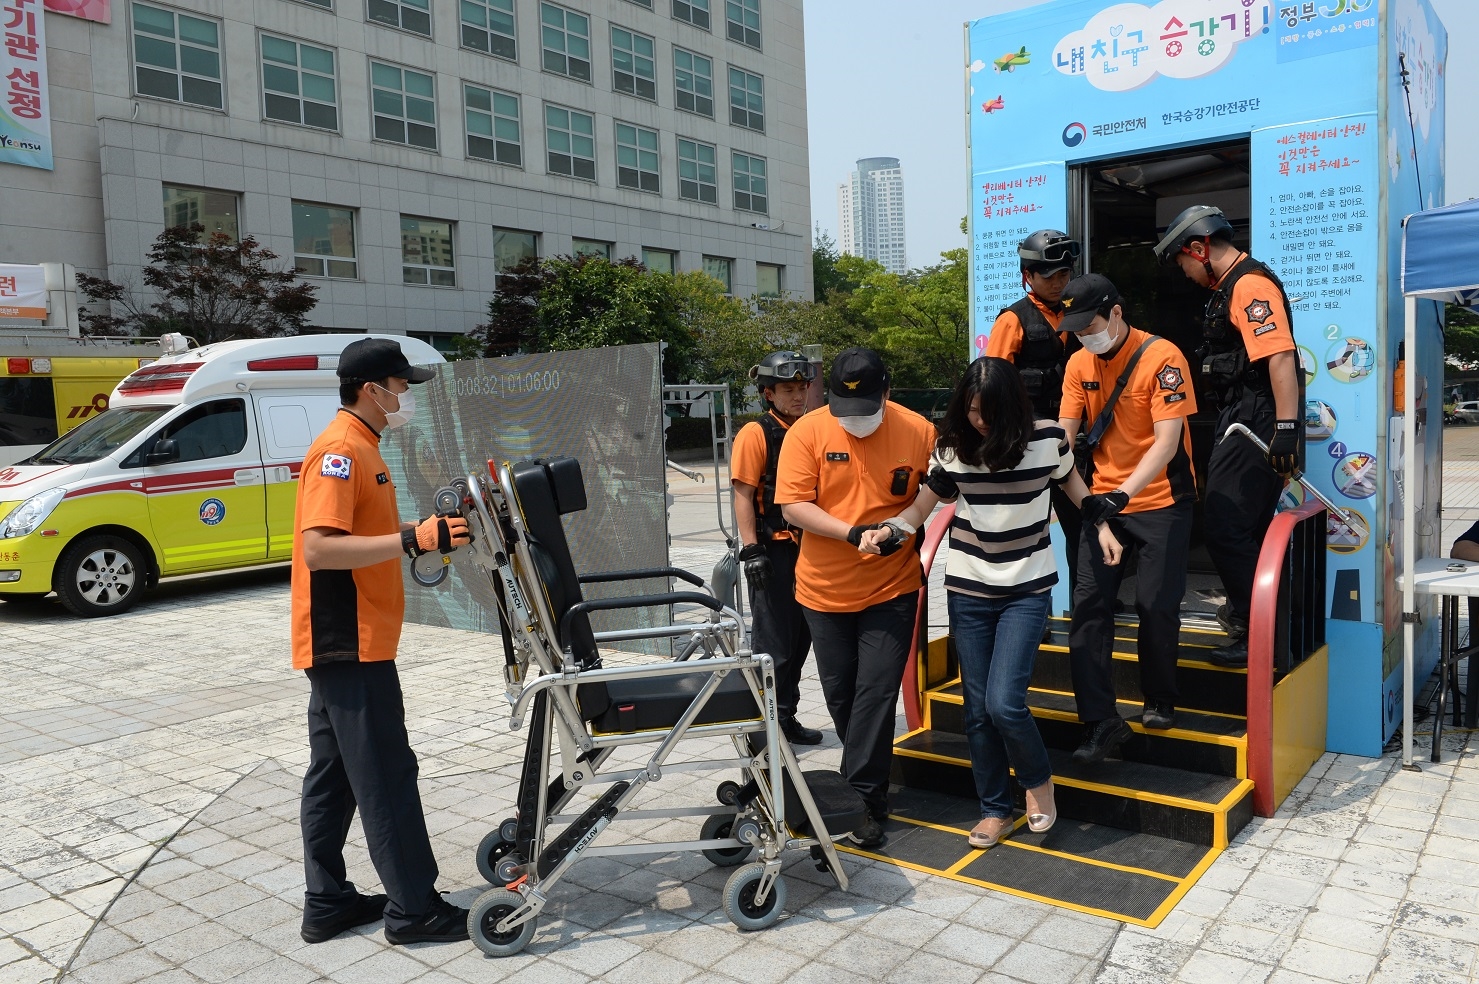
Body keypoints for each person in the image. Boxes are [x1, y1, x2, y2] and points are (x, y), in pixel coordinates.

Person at [885, 357, 1121, 849]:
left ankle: (1038, 785)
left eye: (990, 411)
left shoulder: (1048, 440)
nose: (980, 421)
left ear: (1014, 406)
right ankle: (995, 808)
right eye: (972, 410)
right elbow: (925, 505)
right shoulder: (953, 447)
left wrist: (1102, 527)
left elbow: (1075, 488)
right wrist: (893, 530)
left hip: (1027, 587)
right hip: (969, 586)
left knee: (1004, 703)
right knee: (975, 710)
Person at [293, 337, 473, 946]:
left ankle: (328, 901)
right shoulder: (340, 452)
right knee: (386, 773)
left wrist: (421, 537)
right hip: (348, 641)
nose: (406, 398)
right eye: (401, 386)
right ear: (372, 389)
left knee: (336, 774)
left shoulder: (363, 445)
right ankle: (414, 909)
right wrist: (411, 540)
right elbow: (319, 549)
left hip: (348, 641)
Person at [774, 347, 936, 847]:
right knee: (842, 694)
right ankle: (863, 782)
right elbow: (793, 505)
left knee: (877, 692)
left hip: (892, 586)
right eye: (846, 412)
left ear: (886, 393)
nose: (856, 421)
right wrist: (850, 533)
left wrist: (902, 525)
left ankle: (864, 799)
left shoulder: (918, 430)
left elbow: (935, 489)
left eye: (866, 409)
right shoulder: (808, 431)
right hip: (823, 591)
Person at [1057, 274, 1199, 761]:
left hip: (1160, 498)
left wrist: (1122, 495)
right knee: (1089, 608)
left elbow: (1167, 442)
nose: (1084, 337)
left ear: (1116, 312)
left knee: (1156, 606)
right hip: (1104, 503)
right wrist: (1097, 509)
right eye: (1076, 330)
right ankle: (1099, 719)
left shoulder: (1163, 357)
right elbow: (1064, 437)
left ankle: (1160, 696)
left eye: (1090, 325)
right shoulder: (1078, 363)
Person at [1154, 205, 1302, 668]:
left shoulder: (1249, 285)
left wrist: (1286, 428)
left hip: (1255, 414)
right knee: (1245, 526)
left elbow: (1279, 357)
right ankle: (1259, 625)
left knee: (1225, 524)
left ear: (1199, 249)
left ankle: (1256, 631)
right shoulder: (1229, 287)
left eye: (1183, 261)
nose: (1185, 272)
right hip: (1243, 412)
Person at [731, 351, 824, 746]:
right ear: (768, 393)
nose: (798, 395)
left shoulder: (812, 429)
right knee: (773, 645)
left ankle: (784, 717)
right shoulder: (756, 433)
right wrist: (751, 550)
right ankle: (760, 729)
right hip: (773, 551)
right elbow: (743, 493)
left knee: (800, 641)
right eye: (788, 389)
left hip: (810, 551)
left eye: (802, 387)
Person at [985, 228, 1085, 593]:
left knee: (1081, 522)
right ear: (1028, 276)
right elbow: (993, 384)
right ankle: (1024, 603)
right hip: (1027, 441)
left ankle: (1087, 597)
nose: (1059, 283)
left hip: (1073, 438)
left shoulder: (1080, 314)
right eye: (1049, 276)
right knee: (1026, 525)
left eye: (1064, 274)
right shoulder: (1013, 319)